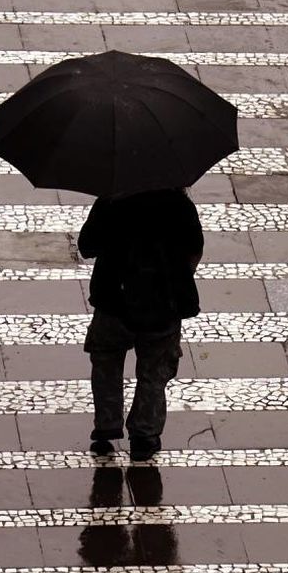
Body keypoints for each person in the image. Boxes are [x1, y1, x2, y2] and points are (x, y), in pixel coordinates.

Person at [78, 187, 204, 461]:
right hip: (163, 305)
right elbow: (194, 252)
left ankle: (106, 426)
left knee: (106, 359)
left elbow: (87, 247)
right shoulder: (179, 206)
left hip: (114, 299)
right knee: (155, 371)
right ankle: (144, 435)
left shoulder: (111, 201)